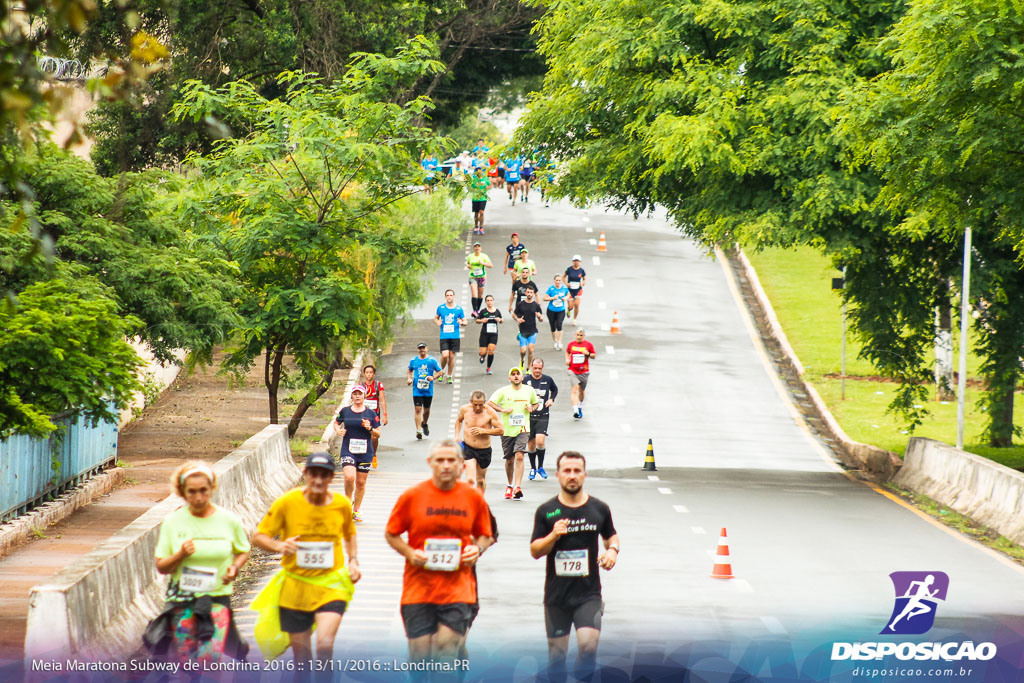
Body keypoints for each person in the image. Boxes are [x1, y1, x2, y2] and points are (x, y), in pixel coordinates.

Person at [385, 439, 495, 669]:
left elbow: (486, 534)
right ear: (430, 463)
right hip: (418, 589)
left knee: (445, 651)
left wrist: (478, 548)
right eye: (440, 460)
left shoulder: (473, 498)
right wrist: (409, 552)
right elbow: (392, 533)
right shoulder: (412, 497)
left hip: (458, 590)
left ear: (461, 465)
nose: (446, 465)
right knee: (419, 657)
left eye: (451, 460)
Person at [251, 453, 360, 666]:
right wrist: (280, 545)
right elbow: (258, 536)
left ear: (331, 477)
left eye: (324, 475)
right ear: (305, 474)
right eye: (313, 474)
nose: (318, 480)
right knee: (302, 658)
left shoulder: (341, 504)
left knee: (325, 645)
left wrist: (353, 560)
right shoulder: (287, 502)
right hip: (295, 588)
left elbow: (349, 534)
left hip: (331, 585)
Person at [149, 462, 250, 664]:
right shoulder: (173, 522)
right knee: (187, 659)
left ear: (212, 489)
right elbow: (161, 565)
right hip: (183, 600)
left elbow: (243, 550)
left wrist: (234, 568)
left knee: (210, 657)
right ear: (183, 493)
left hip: (217, 599)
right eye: (192, 492)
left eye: (203, 491)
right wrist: (179, 555)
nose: (198, 497)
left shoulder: (229, 520)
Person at [530, 451, 619, 680]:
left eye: (577, 471)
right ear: (558, 475)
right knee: (557, 659)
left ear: (585, 475)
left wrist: (612, 551)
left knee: (588, 649)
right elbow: (535, 551)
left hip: (588, 594)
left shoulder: (599, 508)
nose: (572, 476)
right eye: (567, 471)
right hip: (557, 596)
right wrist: (553, 536)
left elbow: (611, 536)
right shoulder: (546, 511)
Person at [488, 367, 539, 500]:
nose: (516, 376)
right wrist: (502, 410)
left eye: (518, 374)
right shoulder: (503, 391)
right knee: (510, 460)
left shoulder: (529, 390)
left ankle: (518, 487)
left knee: (520, 456)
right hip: (507, 430)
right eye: (513, 375)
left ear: (522, 377)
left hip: (523, 428)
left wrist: (531, 408)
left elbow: (536, 404)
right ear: (509, 378)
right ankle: (509, 485)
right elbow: (490, 403)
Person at [333, 384, 381, 522]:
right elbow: (336, 423)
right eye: (355, 394)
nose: (358, 396)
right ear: (352, 396)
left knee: (360, 483)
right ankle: (348, 502)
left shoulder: (371, 414)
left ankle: (356, 509)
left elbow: (378, 434)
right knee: (349, 477)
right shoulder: (345, 411)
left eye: (360, 394)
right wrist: (338, 430)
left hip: (365, 452)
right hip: (348, 449)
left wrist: (369, 428)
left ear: (364, 395)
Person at [453, 391, 504, 491]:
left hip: (484, 450)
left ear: (484, 402)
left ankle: (479, 502)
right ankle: (470, 503)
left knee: (480, 480)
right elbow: (459, 420)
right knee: (470, 480)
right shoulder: (465, 409)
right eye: (475, 404)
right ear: (471, 401)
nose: (477, 407)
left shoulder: (490, 412)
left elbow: (501, 431)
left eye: (480, 405)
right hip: (469, 448)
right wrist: (457, 435)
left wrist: (483, 431)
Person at [523, 359, 558, 481]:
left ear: (542, 368)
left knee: (540, 441)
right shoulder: (525, 380)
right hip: (529, 416)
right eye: (535, 368)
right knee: (531, 444)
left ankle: (541, 467)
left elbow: (555, 389)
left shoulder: (548, 379)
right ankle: (533, 468)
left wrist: (551, 399)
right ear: (531, 367)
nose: (537, 371)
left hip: (543, 415)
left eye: (539, 368)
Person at [408, 342, 444, 439]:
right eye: (420, 348)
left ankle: (424, 423)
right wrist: (409, 378)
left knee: (426, 410)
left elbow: (440, 372)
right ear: (418, 350)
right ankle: (418, 430)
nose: (422, 350)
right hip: (417, 389)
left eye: (423, 348)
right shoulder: (414, 360)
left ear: (427, 349)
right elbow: (409, 370)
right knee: (418, 409)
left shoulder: (431, 361)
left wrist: (433, 377)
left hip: (428, 390)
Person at [435, 288, 467, 384]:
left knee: (452, 356)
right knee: (445, 355)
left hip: (455, 336)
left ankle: (449, 375)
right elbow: (436, 318)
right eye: (447, 295)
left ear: (454, 296)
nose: (449, 297)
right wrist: (438, 322)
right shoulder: (441, 308)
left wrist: (462, 322)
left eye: (451, 295)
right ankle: (441, 371)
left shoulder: (458, 309)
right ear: (445, 297)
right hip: (444, 335)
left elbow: (465, 321)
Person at [565, 329, 596, 419]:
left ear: (584, 336)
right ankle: (575, 410)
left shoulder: (588, 345)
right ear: (575, 335)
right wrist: (567, 359)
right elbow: (567, 351)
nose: (579, 337)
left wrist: (588, 354)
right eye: (577, 335)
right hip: (572, 370)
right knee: (574, 390)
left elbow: (594, 356)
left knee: (581, 391)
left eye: (581, 335)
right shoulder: (571, 344)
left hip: (584, 372)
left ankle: (579, 406)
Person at [514, 286, 544, 368]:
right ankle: (522, 360)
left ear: (534, 294)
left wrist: (539, 317)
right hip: (523, 331)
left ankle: (528, 367)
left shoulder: (536, 305)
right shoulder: (520, 304)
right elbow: (514, 314)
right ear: (525, 293)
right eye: (528, 292)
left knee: (531, 350)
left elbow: (541, 318)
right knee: (523, 351)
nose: (529, 294)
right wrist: (517, 319)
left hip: (532, 331)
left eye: (531, 292)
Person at [361, 364, 388, 458]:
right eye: (367, 373)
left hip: (375, 415)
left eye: (371, 372)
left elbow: (382, 400)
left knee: (374, 435)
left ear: (374, 374)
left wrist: (385, 415)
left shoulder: (378, 385)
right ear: (364, 374)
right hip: (363, 414)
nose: (369, 374)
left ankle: (373, 454)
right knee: (362, 434)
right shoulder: (361, 386)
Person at [475, 294, 503, 374]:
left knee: (491, 351)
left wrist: (499, 320)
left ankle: (488, 368)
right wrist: (482, 321)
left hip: (493, 334)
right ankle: (482, 356)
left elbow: (502, 320)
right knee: (483, 352)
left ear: (493, 301)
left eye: (491, 300)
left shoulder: (497, 311)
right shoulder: (483, 311)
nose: (489, 302)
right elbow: (477, 320)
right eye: (488, 300)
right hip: (484, 334)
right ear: (486, 302)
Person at [543, 274, 571, 349]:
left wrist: (566, 298)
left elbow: (568, 294)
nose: (558, 282)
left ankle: (559, 342)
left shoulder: (564, 288)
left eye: (559, 280)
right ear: (554, 281)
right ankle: (555, 341)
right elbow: (544, 298)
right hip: (551, 310)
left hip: (560, 310)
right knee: (553, 326)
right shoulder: (551, 289)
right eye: (556, 280)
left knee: (559, 324)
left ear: (561, 281)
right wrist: (552, 298)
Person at [466, 242, 494, 316]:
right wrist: (468, 266)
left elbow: (491, 265)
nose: (477, 248)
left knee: (480, 295)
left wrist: (483, 263)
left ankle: (477, 310)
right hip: (473, 276)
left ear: (481, 248)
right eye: (475, 246)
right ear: (474, 248)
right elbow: (468, 263)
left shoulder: (484, 256)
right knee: (474, 293)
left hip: (482, 277)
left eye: (478, 246)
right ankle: (475, 310)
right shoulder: (470, 256)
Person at [564, 256, 587, 324]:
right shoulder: (569, 269)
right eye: (575, 261)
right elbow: (563, 277)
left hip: (578, 290)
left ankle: (574, 319)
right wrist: (566, 283)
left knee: (576, 304)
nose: (576, 262)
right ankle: (569, 309)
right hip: (570, 290)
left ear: (580, 262)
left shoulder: (581, 270)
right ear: (573, 261)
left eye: (578, 261)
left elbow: (585, 279)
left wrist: (583, 283)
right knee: (571, 306)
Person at [469, 167, 489, 236]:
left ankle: (481, 227)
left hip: (483, 198)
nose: (479, 173)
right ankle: (476, 226)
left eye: (480, 171)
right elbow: (470, 187)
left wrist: (487, 187)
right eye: (477, 172)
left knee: (482, 212)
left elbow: (489, 185)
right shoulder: (473, 179)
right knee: (476, 213)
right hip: (475, 198)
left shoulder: (485, 178)